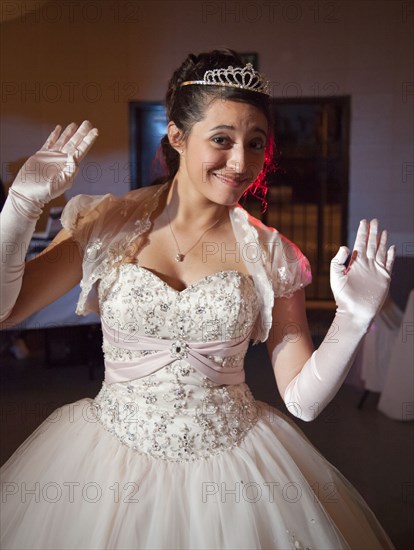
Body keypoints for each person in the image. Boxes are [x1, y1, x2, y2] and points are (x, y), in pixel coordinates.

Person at [0, 49, 395, 549]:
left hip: (234, 470)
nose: (241, 162)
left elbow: (303, 401)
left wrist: (352, 319)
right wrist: (21, 205)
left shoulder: (272, 255)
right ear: (177, 137)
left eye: (255, 144)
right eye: (222, 140)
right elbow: (5, 309)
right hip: (106, 460)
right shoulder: (103, 225)